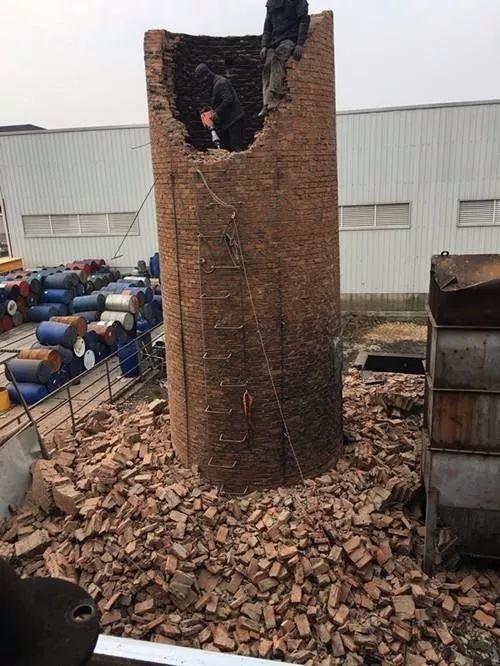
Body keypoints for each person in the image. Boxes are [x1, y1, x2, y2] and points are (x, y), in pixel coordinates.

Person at [259, 0, 310, 117]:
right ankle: (266, 103)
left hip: (290, 38)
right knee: (266, 68)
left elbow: (304, 21)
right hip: (275, 40)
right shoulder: (271, 3)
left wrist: (300, 44)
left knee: (278, 58)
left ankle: (274, 96)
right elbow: (267, 25)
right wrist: (264, 45)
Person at [194, 64, 245, 152]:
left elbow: (228, 100)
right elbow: (220, 101)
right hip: (227, 123)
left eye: (203, 80)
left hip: (234, 121)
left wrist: (216, 113)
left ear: (207, 75)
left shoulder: (221, 83)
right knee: (226, 149)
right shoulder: (215, 83)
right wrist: (208, 109)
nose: (203, 83)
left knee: (236, 148)